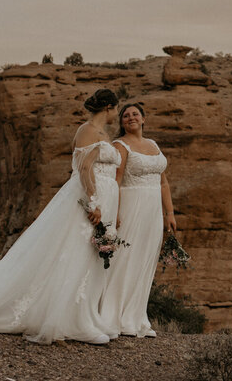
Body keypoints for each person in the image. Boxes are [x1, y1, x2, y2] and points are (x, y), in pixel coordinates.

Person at [0, 88, 124, 344]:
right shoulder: (86, 130)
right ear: (109, 107)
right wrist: (94, 202)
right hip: (91, 200)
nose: (116, 113)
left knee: (90, 255)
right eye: (116, 108)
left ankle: (87, 316)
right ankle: (70, 320)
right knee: (74, 253)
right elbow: (84, 168)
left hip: (104, 199)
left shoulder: (103, 134)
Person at [100, 101, 175, 337]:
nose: (131, 117)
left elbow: (163, 182)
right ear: (122, 123)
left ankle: (136, 317)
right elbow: (116, 181)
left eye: (135, 114)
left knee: (145, 260)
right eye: (125, 116)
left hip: (152, 211)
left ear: (144, 119)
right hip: (131, 207)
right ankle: (113, 316)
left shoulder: (153, 144)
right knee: (125, 260)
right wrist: (115, 213)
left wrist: (169, 213)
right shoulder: (119, 145)